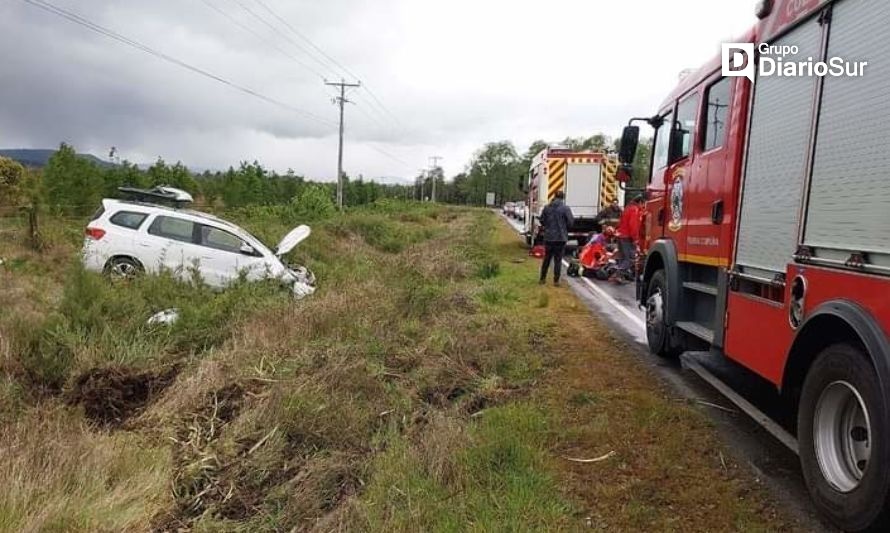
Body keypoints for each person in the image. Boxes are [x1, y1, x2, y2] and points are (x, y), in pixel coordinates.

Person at [538, 190, 574, 286]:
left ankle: (542, 279)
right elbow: (571, 222)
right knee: (558, 260)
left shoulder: (547, 208)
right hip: (561, 238)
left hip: (549, 237)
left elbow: (542, 220)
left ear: (554, 196)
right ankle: (556, 281)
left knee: (546, 259)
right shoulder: (565, 209)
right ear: (563, 198)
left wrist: (548, 226)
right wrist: (564, 227)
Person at [615, 196, 644, 277]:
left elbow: (620, 223)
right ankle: (618, 274)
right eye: (643, 204)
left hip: (620, 236)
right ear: (640, 202)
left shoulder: (627, 208)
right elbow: (633, 225)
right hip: (627, 237)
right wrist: (636, 239)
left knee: (622, 257)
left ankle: (620, 275)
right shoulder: (634, 210)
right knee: (630, 259)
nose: (643, 206)